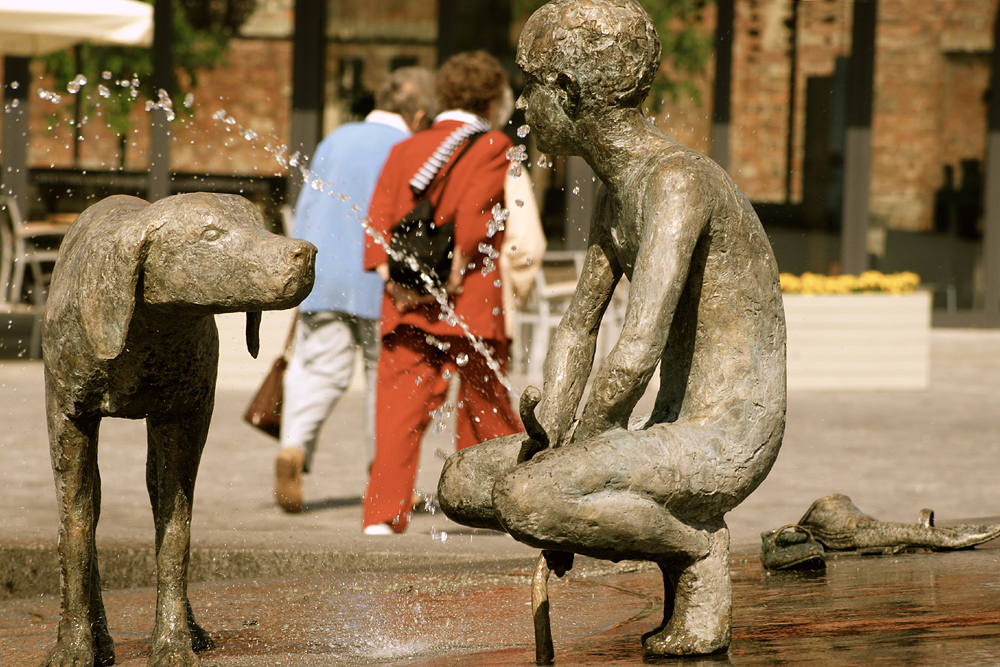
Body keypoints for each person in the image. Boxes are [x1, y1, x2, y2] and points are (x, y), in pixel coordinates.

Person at [437, 0, 786, 658]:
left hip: (723, 434)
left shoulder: (677, 182)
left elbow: (637, 348)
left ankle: (696, 547)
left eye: (530, 86)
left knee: (527, 499)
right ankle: (647, 520)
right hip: (662, 430)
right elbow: (578, 326)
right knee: (462, 482)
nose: (521, 105)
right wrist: (557, 420)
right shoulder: (618, 188)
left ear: (566, 91)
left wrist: (576, 458)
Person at [362, 51, 523, 535]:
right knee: (487, 407)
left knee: (398, 415)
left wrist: (395, 281)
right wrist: (453, 272)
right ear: (492, 99)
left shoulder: (406, 148)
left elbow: (376, 223)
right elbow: (476, 216)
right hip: (467, 299)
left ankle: (383, 516)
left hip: (406, 302)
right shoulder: (493, 143)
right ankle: (502, 505)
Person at [274, 67, 438, 513]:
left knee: (319, 369)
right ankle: (383, 474)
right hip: (382, 282)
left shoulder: (336, 138)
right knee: (383, 379)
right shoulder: (411, 149)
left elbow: (306, 206)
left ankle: (293, 447)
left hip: (324, 275)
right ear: (420, 114)